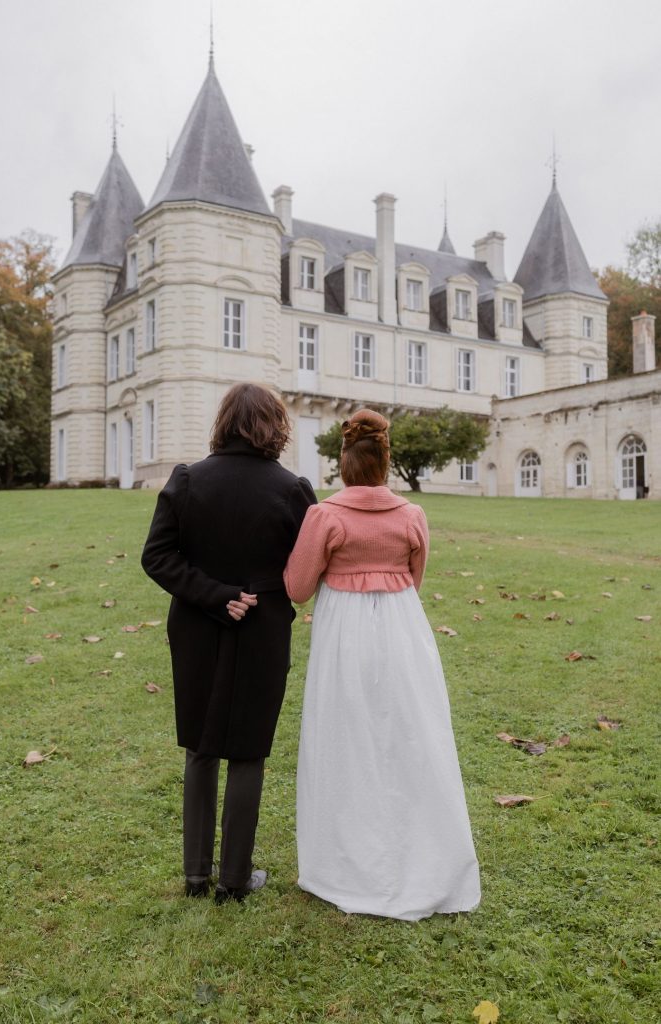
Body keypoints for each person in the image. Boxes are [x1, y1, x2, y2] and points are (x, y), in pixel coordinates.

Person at [283, 409, 481, 921]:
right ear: (385, 462)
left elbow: (297, 588)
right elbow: (415, 577)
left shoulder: (324, 516)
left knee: (344, 736)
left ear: (344, 463)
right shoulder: (411, 515)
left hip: (343, 633)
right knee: (411, 734)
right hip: (402, 628)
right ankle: (420, 849)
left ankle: (348, 858)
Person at [142, 383, 316, 904]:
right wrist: (235, 595)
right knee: (246, 752)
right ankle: (232, 881)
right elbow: (306, 569)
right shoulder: (293, 490)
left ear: (223, 423)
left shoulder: (188, 479)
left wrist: (213, 594)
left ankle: (197, 877)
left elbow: (158, 556)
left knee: (200, 747)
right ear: (275, 426)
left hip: (196, 625)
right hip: (261, 629)